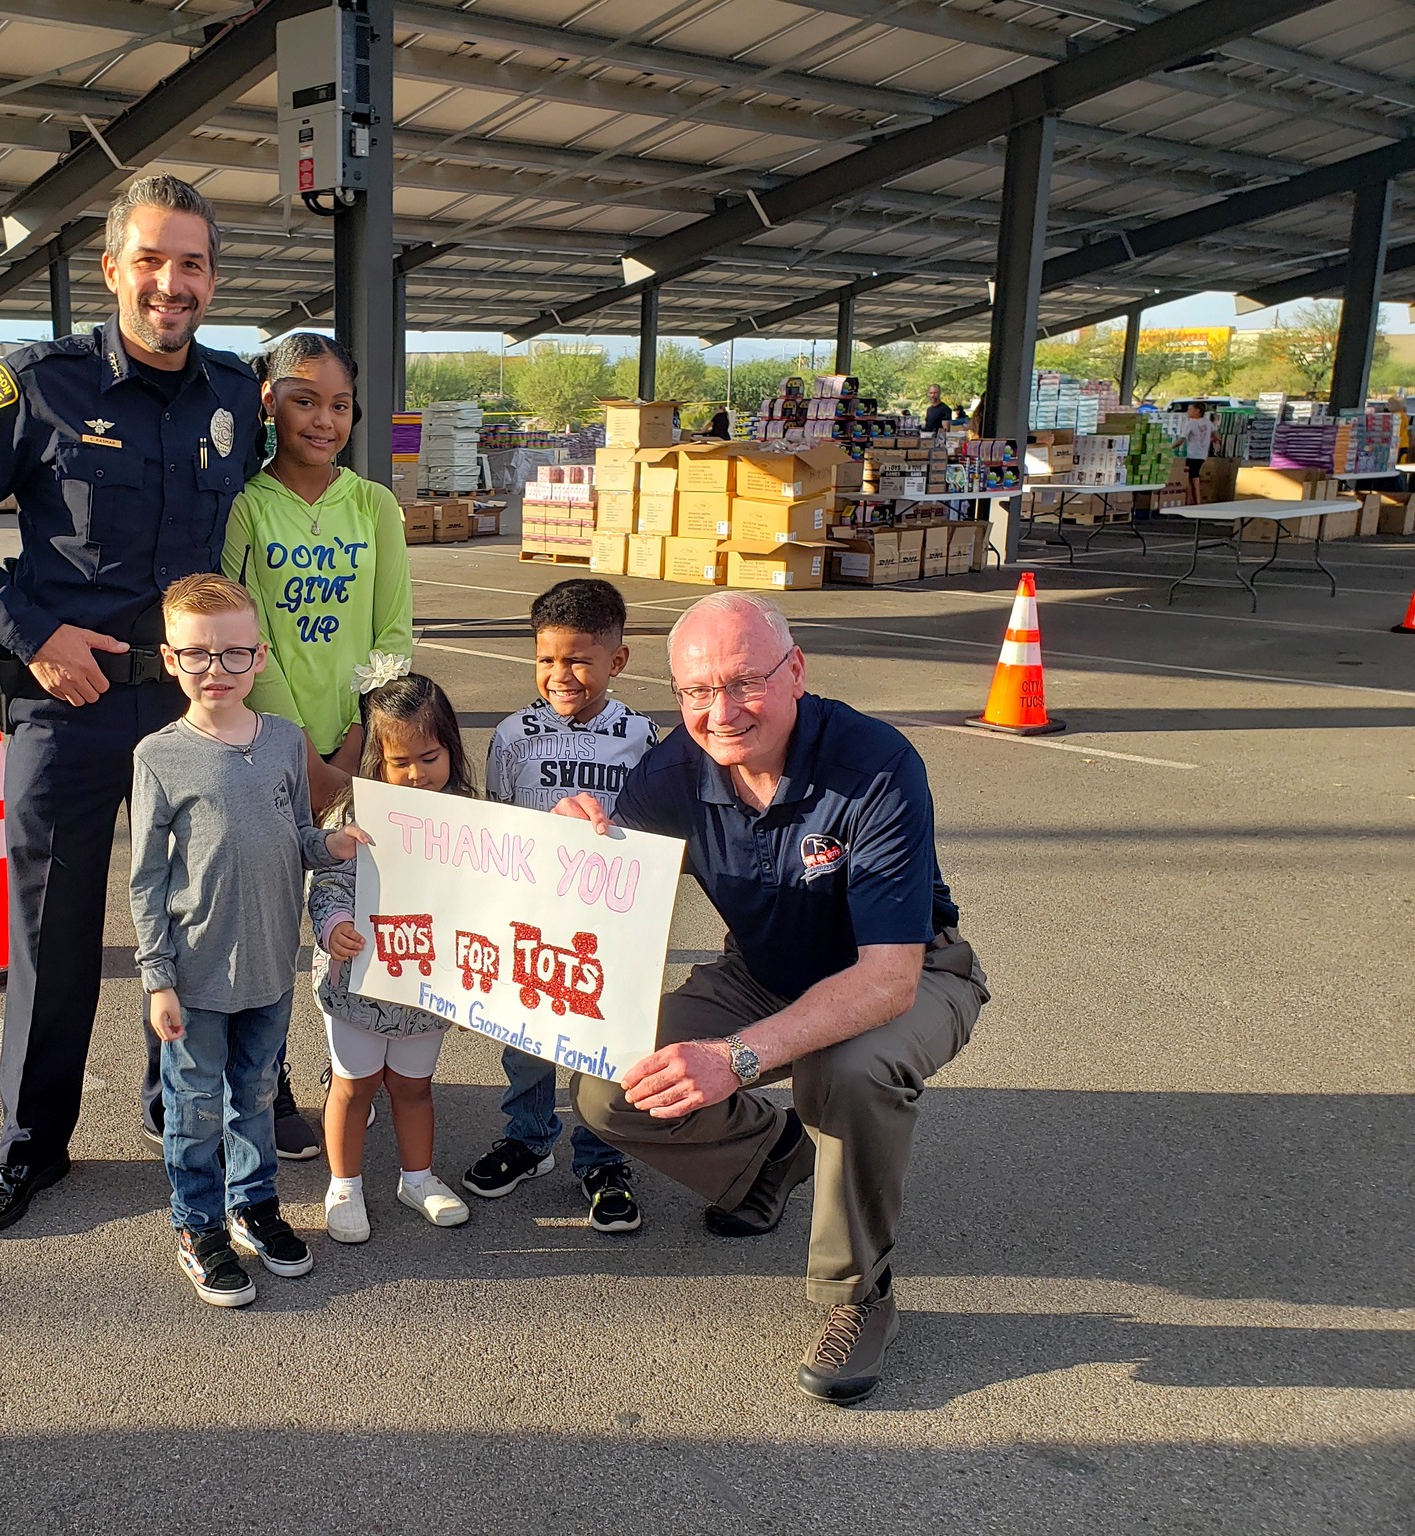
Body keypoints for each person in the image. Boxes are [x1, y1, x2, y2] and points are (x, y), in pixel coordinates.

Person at [0, 175, 262, 1236]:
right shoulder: (41, 386)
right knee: (54, 937)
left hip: (188, 715)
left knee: (191, 932)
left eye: (190, 262)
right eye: (150, 259)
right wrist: (34, 635)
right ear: (112, 270)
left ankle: (177, 1113)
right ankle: (32, 1146)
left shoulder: (234, 397)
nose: (170, 282)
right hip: (70, 708)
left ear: (211, 278)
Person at [556, 592, 989, 1406]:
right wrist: (572, 838)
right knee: (612, 1086)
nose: (720, 712)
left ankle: (859, 1295)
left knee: (847, 1071)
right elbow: (611, 884)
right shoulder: (673, 768)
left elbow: (887, 979)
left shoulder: (874, 765)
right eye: (695, 691)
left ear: (795, 672)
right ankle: (770, 1161)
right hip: (761, 968)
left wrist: (735, 1057)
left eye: (743, 682)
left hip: (909, 971)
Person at [130, 574, 366, 1305]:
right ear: (170, 660)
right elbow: (144, 878)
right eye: (197, 656)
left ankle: (252, 1205)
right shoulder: (159, 756)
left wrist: (333, 847)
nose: (217, 672)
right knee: (195, 1103)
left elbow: (296, 836)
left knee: (256, 1094)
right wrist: (157, 975)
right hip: (196, 976)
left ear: (260, 657)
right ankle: (196, 1223)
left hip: (270, 966)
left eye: (235, 655)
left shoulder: (285, 742)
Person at [462, 579, 657, 1234]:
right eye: (547, 659)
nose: (560, 674)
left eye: (578, 659)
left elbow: (661, 835)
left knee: (608, 1046)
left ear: (617, 660)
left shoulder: (642, 739)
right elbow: (496, 822)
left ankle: (603, 1157)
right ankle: (529, 1134)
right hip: (530, 917)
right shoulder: (513, 736)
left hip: (608, 925)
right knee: (525, 1037)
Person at [309, 673, 474, 1243]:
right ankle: (344, 1184)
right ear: (375, 760)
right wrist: (335, 927)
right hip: (357, 980)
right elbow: (327, 883)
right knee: (353, 1085)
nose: (416, 774)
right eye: (399, 761)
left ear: (451, 746)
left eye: (429, 757)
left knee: (413, 1085)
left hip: (428, 984)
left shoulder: (471, 818)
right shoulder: (354, 815)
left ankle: (418, 1177)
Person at [222, 331, 412, 819]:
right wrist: (303, 756)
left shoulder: (374, 504)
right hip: (265, 743)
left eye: (340, 406)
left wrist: (356, 739)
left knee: (352, 891)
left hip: (366, 742)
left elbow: (394, 630)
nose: (324, 421)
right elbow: (246, 638)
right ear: (270, 400)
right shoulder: (244, 506)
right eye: (305, 402)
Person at [1179, 402, 1214, 506]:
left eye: (1190, 409)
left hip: (1192, 454)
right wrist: (1207, 442)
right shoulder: (1208, 423)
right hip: (1202, 455)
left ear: (1197, 410)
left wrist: (1170, 447)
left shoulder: (1191, 423)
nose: (1188, 412)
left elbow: (1182, 439)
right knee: (1194, 476)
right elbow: (1216, 435)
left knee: (1191, 477)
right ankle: (1196, 501)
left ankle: (1191, 501)